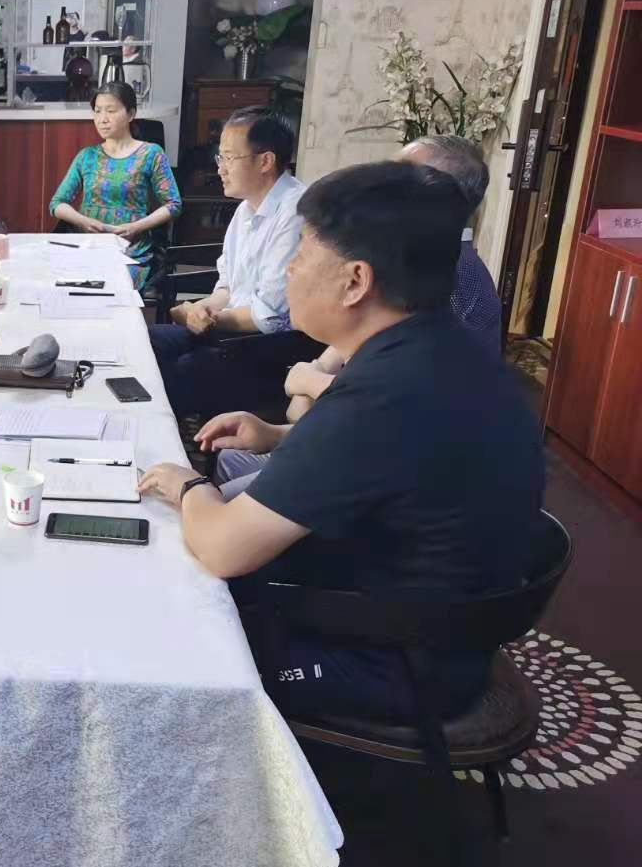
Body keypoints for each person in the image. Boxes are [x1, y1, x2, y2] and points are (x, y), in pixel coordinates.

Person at [136, 161, 543, 722]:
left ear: (355, 281)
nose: (290, 269)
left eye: (302, 253)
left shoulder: (383, 393)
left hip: (391, 659)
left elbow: (226, 547)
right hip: (431, 623)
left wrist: (188, 485)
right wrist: (278, 435)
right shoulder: (437, 348)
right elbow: (393, 456)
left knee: (165, 638)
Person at [217, 135, 505, 496]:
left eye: (401, 176)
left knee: (222, 499)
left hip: (397, 468)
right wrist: (308, 387)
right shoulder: (405, 263)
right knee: (232, 462)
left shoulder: (450, 278)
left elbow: (396, 408)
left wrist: (310, 383)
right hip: (355, 437)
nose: (380, 183)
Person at [147, 106, 306, 416]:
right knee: (145, 343)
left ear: (265, 161)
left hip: (268, 347)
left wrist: (209, 318)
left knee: (176, 373)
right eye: (220, 158)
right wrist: (200, 309)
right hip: (230, 331)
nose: (220, 169)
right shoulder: (246, 208)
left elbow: (269, 317)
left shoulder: (295, 211)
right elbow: (228, 287)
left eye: (229, 158)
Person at [49, 81, 182, 288]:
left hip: (130, 253)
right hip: (87, 248)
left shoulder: (151, 154)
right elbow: (57, 204)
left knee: (109, 287)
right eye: (97, 111)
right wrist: (83, 221)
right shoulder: (87, 156)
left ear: (131, 114)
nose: (103, 119)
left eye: (111, 111)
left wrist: (136, 227)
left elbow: (173, 204)